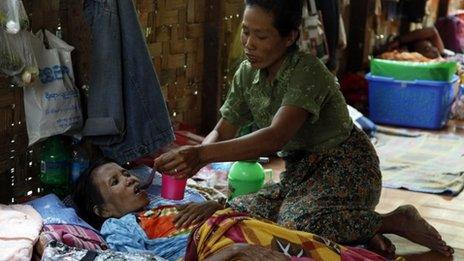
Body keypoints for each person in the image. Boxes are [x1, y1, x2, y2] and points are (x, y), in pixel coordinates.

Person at [153, 0, 454, 258]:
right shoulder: (247, 73)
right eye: (245, 31)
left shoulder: (307, 71)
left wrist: (201, 153)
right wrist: (193, 160)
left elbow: (276, 136)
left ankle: (392, 220)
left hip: (346, 168)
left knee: (296, 224)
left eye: (261, 35)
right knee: (237, 210)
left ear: (289, 38)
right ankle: (358, 232)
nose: (249, 43)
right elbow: (224, 127)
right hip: (300, 174)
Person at [73, 159, 386, 261]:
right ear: (102, 211)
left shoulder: (160, 206)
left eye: (125, 173)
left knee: (310, 244)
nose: (129, 179)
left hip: (238, 230)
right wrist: (233, 250)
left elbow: (222, 216)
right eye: (116, 181)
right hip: (221, 248)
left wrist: (217, 208)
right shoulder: (120, 228)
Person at [379, 27, 445, 60]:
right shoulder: (435, 58)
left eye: (431, 46)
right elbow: (432, 31)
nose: (435, 49)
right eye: (427, 49)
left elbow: (432, 31)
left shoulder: (440, 53)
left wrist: (399, 41)